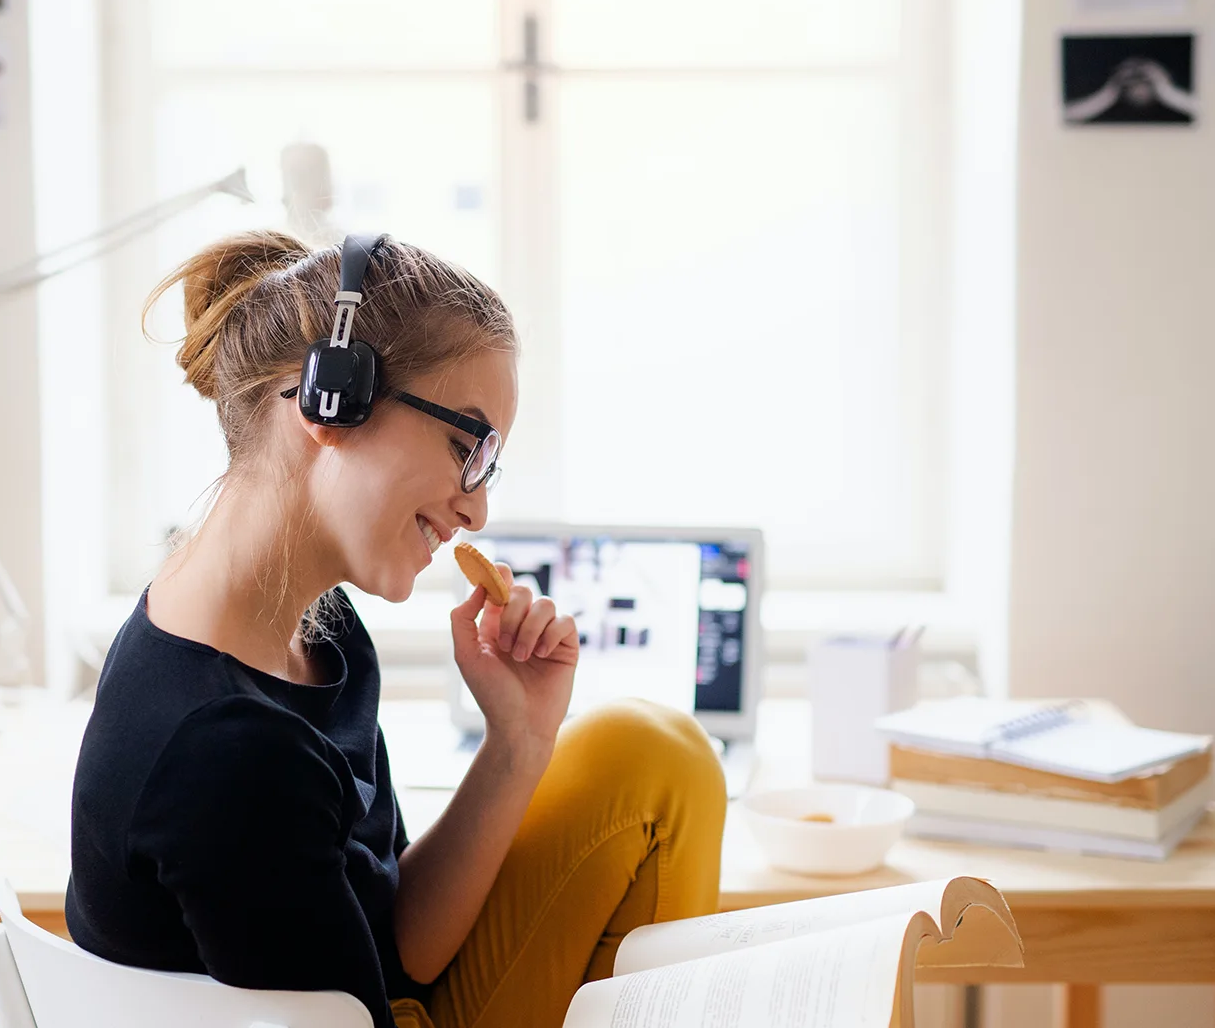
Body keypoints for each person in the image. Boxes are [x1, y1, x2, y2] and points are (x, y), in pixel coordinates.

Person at [64, 231, 727, 1028]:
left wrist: (517, 741)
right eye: (465, 447)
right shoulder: (228, 754)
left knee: (652, 755)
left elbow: (395, 943)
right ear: (328, 398)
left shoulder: (319, 630)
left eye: (488, 464)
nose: (477, 507)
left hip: (382, 1002)